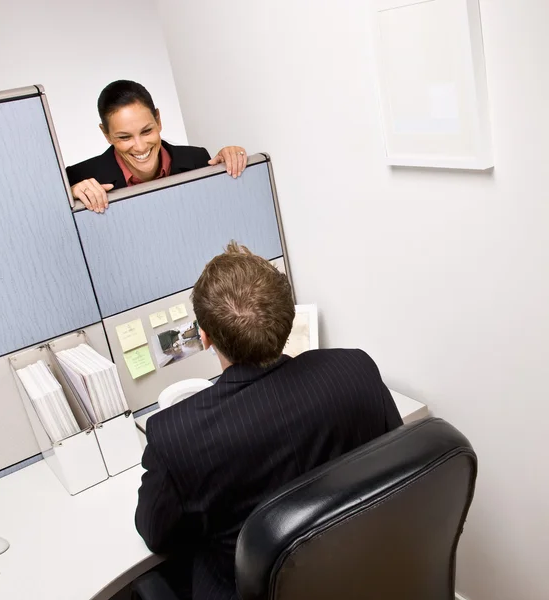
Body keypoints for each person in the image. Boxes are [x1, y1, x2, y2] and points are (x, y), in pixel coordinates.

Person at [133, 243, 402, 600]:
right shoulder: (355, 370)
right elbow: (394, 461)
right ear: (287, 318)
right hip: (355, 576)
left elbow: (156, 534)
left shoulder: (177, 436)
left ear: (206, 337)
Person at [66, 80, 247, 213]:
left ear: (158, 120)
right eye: (124, 137)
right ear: (106, 134)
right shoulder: (78, 177)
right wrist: (68, 196)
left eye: (146, 131)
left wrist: (231, 162)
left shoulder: (198, 159)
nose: (140, 146)